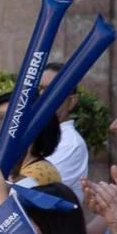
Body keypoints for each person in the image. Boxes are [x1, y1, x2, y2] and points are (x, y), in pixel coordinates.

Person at [40, 62, 89, 202]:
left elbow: (32, 189)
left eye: (52, 90)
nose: (43, 96)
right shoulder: (33, 136)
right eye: (40, 89)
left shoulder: (71, 144)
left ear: (71, 101)